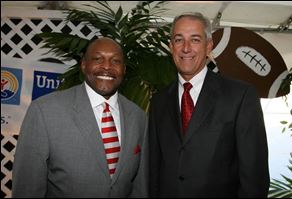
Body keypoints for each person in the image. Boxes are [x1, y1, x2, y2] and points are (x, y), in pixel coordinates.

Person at [149, 12, 270, 198]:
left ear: (209, 46)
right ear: (171, 47)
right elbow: (154, 170)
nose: (186, 48)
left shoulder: (241, 96)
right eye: (179, 40)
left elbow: (254, 177)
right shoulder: (158, 101)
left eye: (195, 40)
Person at [12, 37, 148, 198]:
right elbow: (27, 188)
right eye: (98, 59)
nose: (106, 66)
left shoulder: (138, 116)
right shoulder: (44, 111)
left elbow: (140, 186)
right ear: (84, 65)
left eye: (116, 61)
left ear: (124, 69)